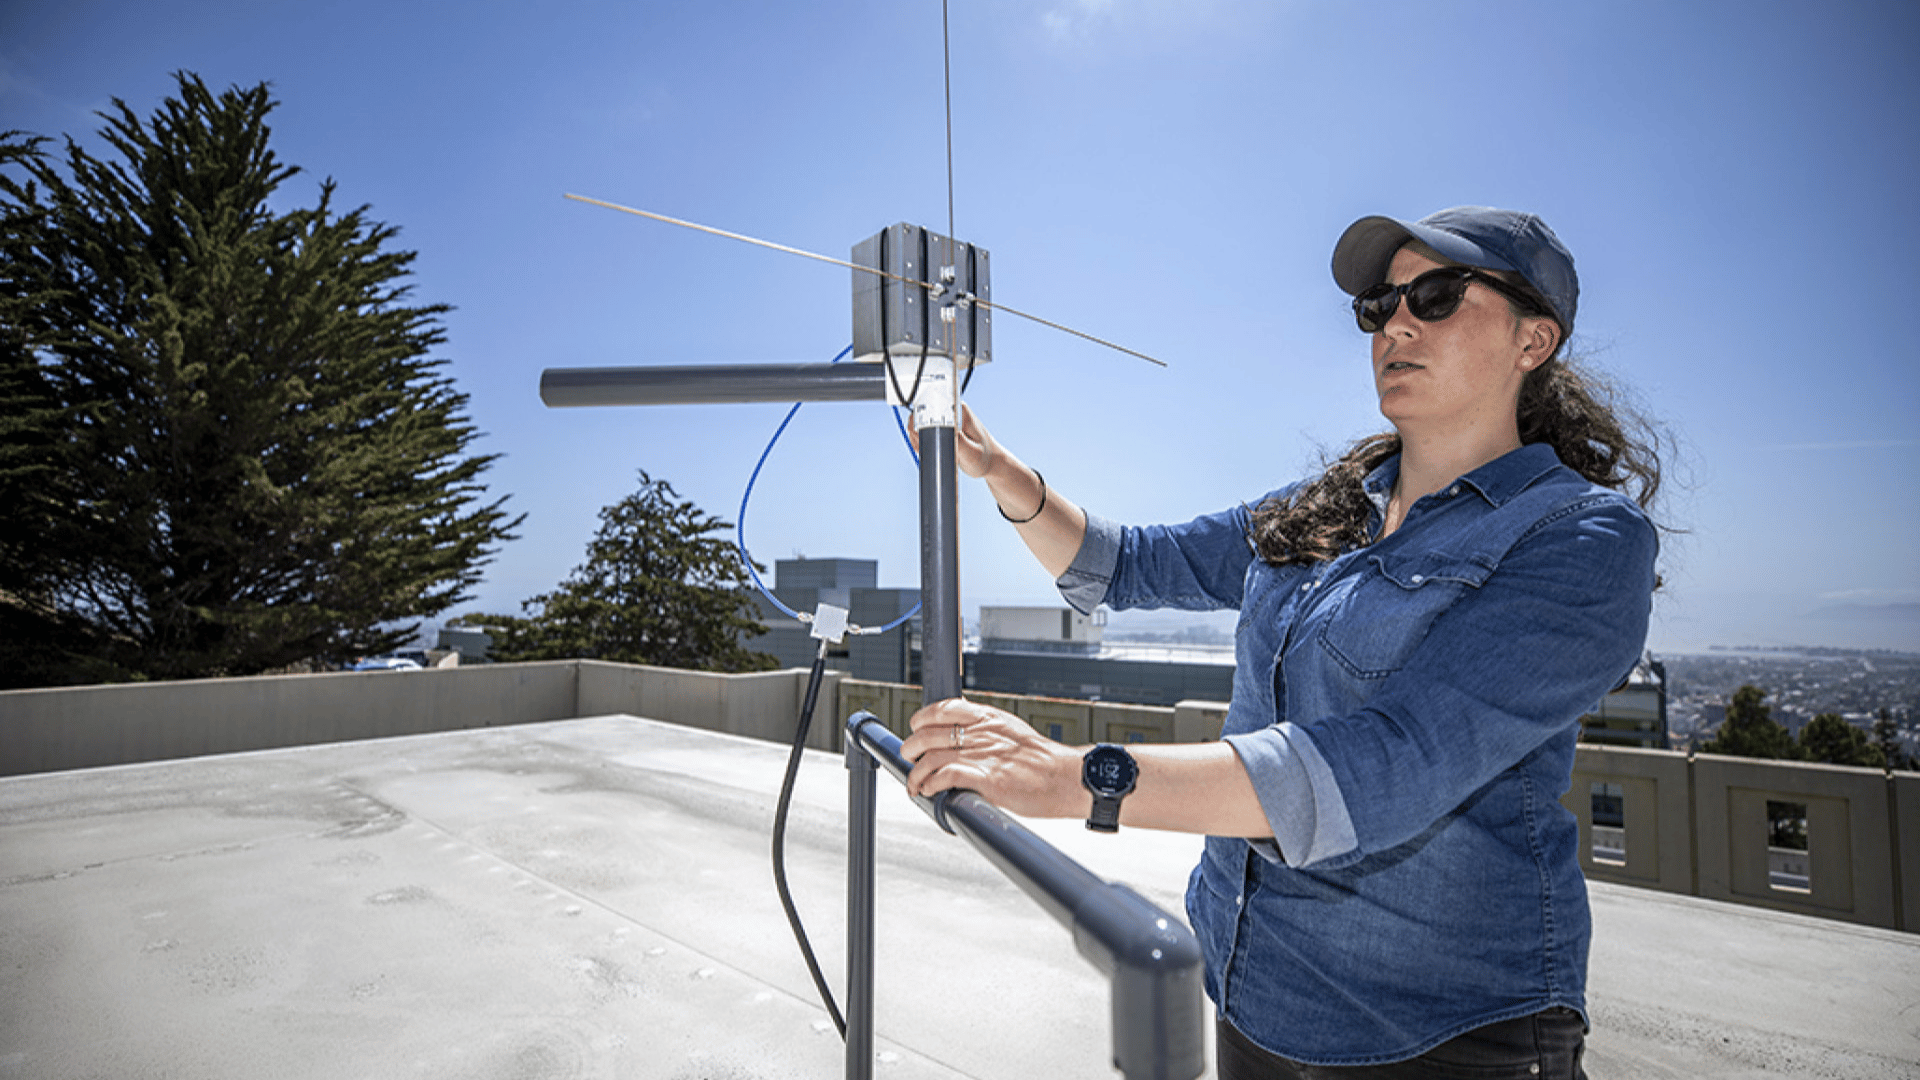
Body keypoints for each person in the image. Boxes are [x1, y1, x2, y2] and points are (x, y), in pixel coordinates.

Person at [899, 207, 1662, 1079]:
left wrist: (1075, 777)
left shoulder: (1580, 537)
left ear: (1535, 340)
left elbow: (1389, 762)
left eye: (1438, 295)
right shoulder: (1329, 503)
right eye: (1380, 306)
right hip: (1253, 989)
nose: (1397, 323)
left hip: (1439, 1029)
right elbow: (1132, 566)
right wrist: (1002, 473)